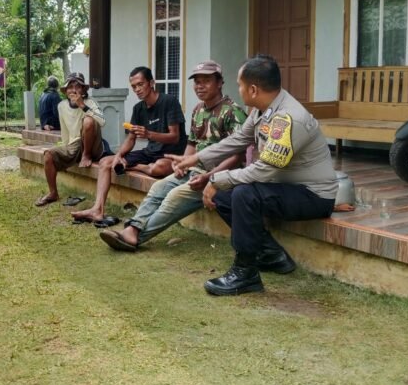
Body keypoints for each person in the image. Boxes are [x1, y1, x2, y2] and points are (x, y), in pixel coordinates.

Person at [168, 54, 337, 296]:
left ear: (254, 89)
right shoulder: (263, 110)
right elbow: (237, 140)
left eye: (240, 85)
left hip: (313, 195)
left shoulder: (287, 119)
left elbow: (264, 169)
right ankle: (271, 254)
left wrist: (216, 179)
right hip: (286, 188)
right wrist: (193, 159)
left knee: (245, 194)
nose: (239, 89)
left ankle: (245, 272)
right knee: (225, 197)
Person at [99, 61, 247, 251]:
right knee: (158, 188)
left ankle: (133, 236)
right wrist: (183, 165)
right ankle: (133, 228)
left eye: (206, 81)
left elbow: (238, 155)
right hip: (195, 170)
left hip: (218, 176)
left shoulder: (233, 112)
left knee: (173, 198)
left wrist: (209, 177)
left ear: (219, 83)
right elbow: (192, 144)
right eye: (197, 82)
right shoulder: (198, 110)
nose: (200, 86)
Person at [72, 66, 187, 224]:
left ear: (151, 83)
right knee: (106, 162)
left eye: (141, 84)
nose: (137, 89)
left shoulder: (169, 101)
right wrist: (119, 156)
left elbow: (175, 137)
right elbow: (131, 139)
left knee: (157, 168)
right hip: (150, 152)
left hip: (171, 154)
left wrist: (149, 134)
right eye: (134, 86)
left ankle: (133, 166)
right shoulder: (138, 108)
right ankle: (97, 210)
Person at [34, 72, 105, 207]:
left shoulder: (90, 102)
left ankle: (86, 155)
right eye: (70, 87)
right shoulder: (61, 106)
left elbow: (102, 122)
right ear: (66, 91)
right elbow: (65, 130)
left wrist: (82, 105)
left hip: (92, 145)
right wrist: (65, 150)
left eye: (77, 86)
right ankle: (53, 193)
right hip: (74, 146)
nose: (73, 90)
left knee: (89, 121)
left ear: (83, 90)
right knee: (49, 155)